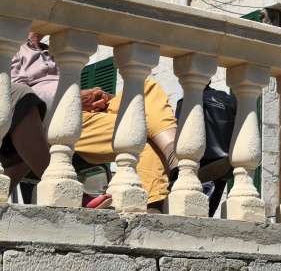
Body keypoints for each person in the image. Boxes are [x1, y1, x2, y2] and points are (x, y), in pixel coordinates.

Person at [9, 34, 178, 209]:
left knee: (144, 88)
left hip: (81, 108)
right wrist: (76, 97)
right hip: (59, 117)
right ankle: (152, 206)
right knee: (139, 136)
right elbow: (18, 98)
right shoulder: (13, 45)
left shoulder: (52, 50)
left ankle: (175, 156)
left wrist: (98, 97)